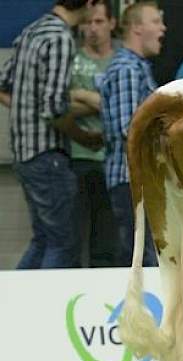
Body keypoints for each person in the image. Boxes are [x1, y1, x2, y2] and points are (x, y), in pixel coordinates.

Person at [0, 0, 101, 269]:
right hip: (48, 154)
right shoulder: (59, 37)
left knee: (44, 239)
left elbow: (3, 84)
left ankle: (14, 303)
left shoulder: (31, 31)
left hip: (24, 153)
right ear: (88, 4)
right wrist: (84, 138)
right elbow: (54, 108)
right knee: (63, 243)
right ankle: (45, 308)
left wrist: (26, 108)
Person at [100, 0, 166, 267]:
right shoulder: (127, 70)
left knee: (144, 253)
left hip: (138, 178)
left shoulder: (136, 67)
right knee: (141, 255)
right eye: (156, 21)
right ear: (137, 28)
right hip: (131, 179)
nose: (163, 28)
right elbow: (129, 129)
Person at [69, 0, 121, 267]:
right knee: (74, 233)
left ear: (112, 23)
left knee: (108, 233)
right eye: (87, 22)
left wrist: (83, 95)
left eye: (99, 22)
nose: (92, 28)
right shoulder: (73, 59)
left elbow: (125, 104)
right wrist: (97, 100)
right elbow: (60, 105)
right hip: (78, 155)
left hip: (112, 159)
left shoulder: (121, 59)